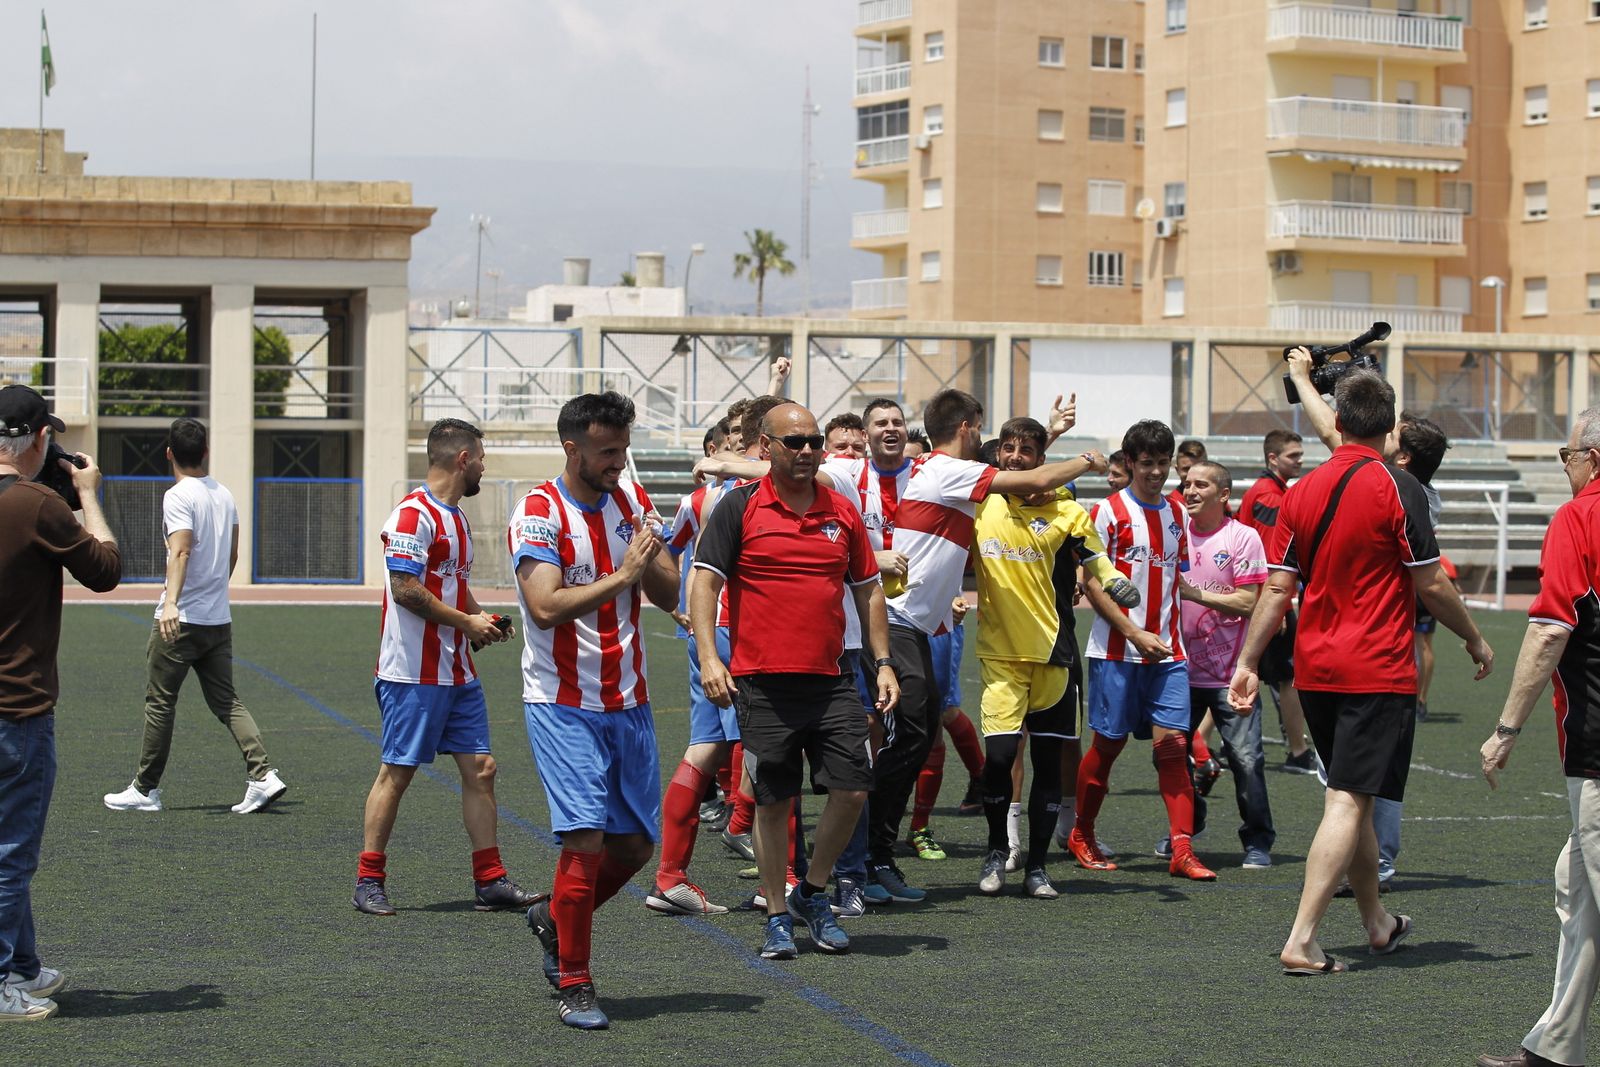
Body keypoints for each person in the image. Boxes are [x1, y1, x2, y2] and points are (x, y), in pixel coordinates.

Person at [1228, 370, 1492, 975]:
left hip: (1316, 667)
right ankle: (1301, 938)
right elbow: (1430, 581)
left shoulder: (1301, 491)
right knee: (1348, 800)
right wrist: (1474, 639)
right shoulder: (1400, 489)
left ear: (1338, 421)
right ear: (1390, 426)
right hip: (1377, 670)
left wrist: (1247, 662)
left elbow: (1277, 587)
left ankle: (1376, 922)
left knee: (1355, 797)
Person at [691, 402, 898, 961]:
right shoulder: (740, 507)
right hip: (762, 683)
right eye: (794, 442)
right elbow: (705, 583)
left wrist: (882, 661)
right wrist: (711, 658)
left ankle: (811, 892)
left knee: (853, 787)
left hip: (831, 679)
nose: (807, 451)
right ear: (767, 447)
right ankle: (777, 916)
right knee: (772, 803)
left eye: (813, 442)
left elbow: (869, 589)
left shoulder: (842, 511)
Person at [512, 392, 680, 1029]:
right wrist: (624, 572)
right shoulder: (538, 510)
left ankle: (552, 915)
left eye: (624, 449)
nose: (619, 461)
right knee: (583, 840)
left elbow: (662, 589)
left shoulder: (630, 500)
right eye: (607, 451)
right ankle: (576, 984)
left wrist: (655, 553)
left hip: (629, 700)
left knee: (635, 846)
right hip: (563, 702)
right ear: (572, 447)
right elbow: (546, 606)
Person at [354, 418, 534, 920]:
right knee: (398, 773)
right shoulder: (414, 515)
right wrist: (467, 622)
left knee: (482, 769)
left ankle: (490, 880)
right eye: (479, 457)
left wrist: (484, 620)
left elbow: (452, 588)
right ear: (462, 459)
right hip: (412, 674)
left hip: (456, 672)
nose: (483, 466)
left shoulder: (457, 518)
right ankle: (369, 879)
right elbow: (406, 591)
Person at [1476, 407, 1600, 1067]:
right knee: (1576, 888)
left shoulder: (1580, 517)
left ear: (1593, 457)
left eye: (1566, 453)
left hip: (1599, 750)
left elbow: (1551, 627)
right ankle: (1556, 1048)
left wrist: (1505, 728)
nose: (1565, 465)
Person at [971, 416, 1131, 898]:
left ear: (1043, 461)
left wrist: (1115, 579)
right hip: (1001, 656)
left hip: (1054, 655)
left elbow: (1095, 558)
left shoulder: (1068, 513)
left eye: (1026, 452)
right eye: (1008, 450)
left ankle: (1037, 866)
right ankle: (998, 848)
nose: (1015, 458)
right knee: (998, 760)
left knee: (1048, 762)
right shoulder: (982, 500)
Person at [0, 384, 120, 1022]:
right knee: (12, 851)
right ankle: (1, 980)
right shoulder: (38, 505)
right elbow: (105, 568)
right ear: (40, 439)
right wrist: (88, 496)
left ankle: (21, 964)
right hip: (17, 706)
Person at [103, 418, 287, 816]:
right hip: (217, 620)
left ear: (168, 452)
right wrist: (213, 592)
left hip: (181, 620)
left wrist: (171, 602)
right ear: (206, 452)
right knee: (227, 701)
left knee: (160, 703)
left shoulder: (177, 496)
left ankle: (145, 790)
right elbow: (234, 554)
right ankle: (262, 775)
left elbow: (181, 551)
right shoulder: (224, 495)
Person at [1072, 419, 1217, 882]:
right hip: (1117, 650)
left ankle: (1181, 849)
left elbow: (1178, 581)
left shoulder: (1177, 514)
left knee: (1174, 750)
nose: (1156, 472)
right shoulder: (1107, 512)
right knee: (1108, 747)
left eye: (1162, 463)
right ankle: (1082, 831)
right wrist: (1134, 633)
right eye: (1147, 463)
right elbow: (1092, 584)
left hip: (1168, 655)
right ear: (1130, 463)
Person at [1175, 460, 1275, 869]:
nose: (1191, 490)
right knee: (1171, 755)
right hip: (1178, 671)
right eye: (1187, 484)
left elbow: (1250, 601)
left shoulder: (1243, 537)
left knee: (1246, 759)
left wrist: (1193, 593)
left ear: (1223, 495)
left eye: (1201, 484)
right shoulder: (1174, 534)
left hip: (1230, 673)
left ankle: (1258, 841)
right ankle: (1185, 829)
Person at [1235, 427, 1317, 774]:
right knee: (1287, 678)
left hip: (1260, 599)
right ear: (1272, 458)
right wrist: (1278, 605)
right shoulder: (1269, 495)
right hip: (1268, 601)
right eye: (1293, 455)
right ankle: (1298, 752)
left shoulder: (1269, 491)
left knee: (1245, 672)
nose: (1300, 460)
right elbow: (1273, 556)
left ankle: (1200, 744)